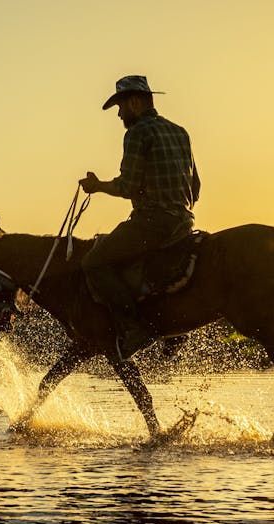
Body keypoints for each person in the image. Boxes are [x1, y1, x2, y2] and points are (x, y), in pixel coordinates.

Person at [78, 75, 200, 361]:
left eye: (120, 106)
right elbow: (195, 188)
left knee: (93, 262)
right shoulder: (180, 131)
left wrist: (97, 187)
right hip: (184, 221)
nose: (119, 114)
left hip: (153, 222)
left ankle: (134, 329)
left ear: (134, 102)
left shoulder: (137, 133)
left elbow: (127, 186)